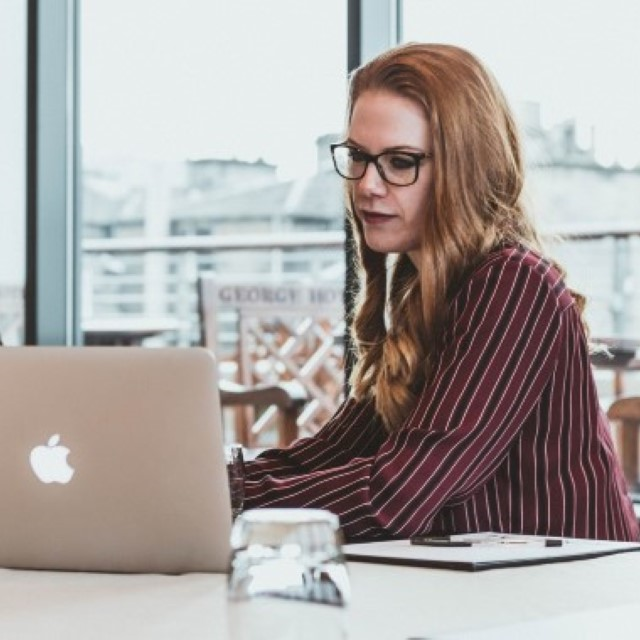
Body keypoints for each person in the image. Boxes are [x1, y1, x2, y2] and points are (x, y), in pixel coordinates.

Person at [242, 42, 639, 542]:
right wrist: (215, 485)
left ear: (464, 168)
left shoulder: (515, 286)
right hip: (478, 590)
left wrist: (226, 504)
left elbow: (396, 497)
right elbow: (326, 455)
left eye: (400, 162)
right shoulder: (423, 293)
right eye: (359, 157)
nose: (367, 185)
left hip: (567, 599)